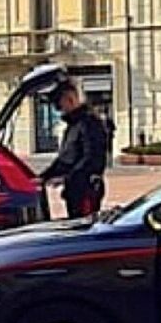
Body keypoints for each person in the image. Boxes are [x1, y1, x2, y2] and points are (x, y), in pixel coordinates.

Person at [36, 76, 110, 219]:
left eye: (60, 103)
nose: (59, 109)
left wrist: (66, 178)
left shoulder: (89, 123)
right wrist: (44, 177)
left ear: (71, 99)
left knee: (84, 226)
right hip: (74, 189)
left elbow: (92, 160)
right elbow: (65, 158)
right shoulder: (73, 126)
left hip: (86, 189)